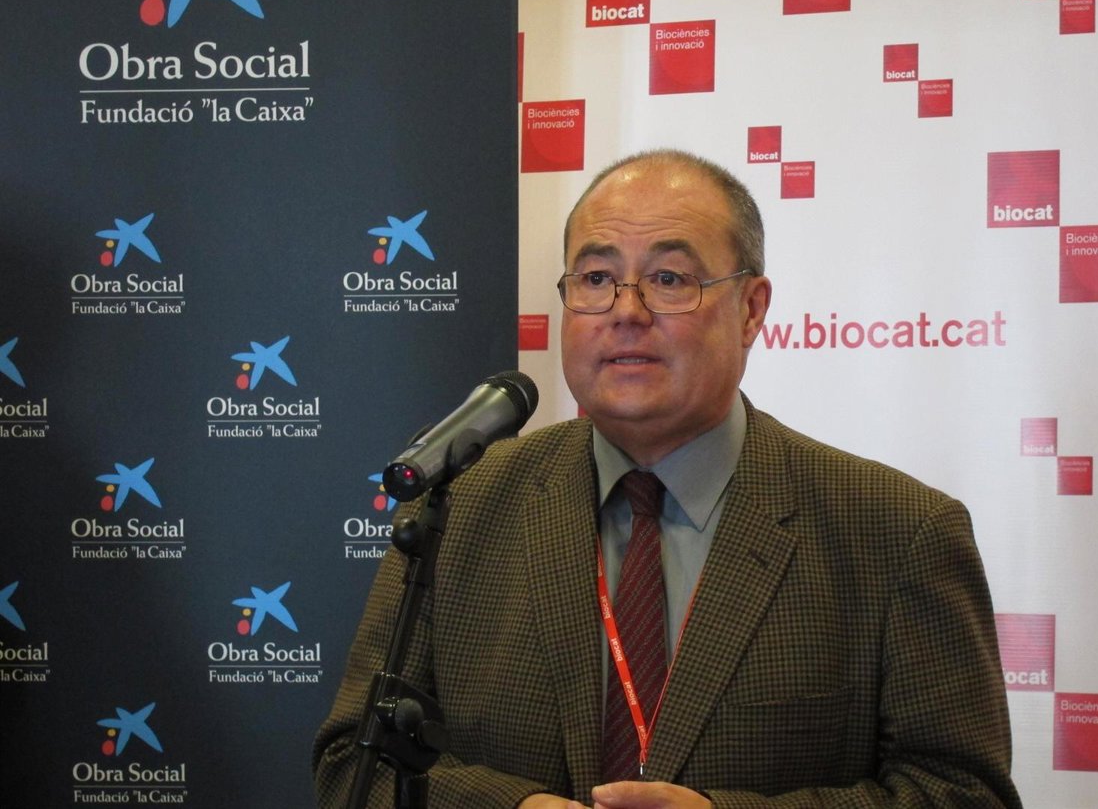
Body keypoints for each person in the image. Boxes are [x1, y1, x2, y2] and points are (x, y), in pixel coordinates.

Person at [313, 149, 1022, 808]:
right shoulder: (462, 506)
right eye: (596, 279)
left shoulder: (896, 531)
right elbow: (353, 763)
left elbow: (963, 794)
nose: (627, 311)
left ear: (751, 310)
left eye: (670, 279)